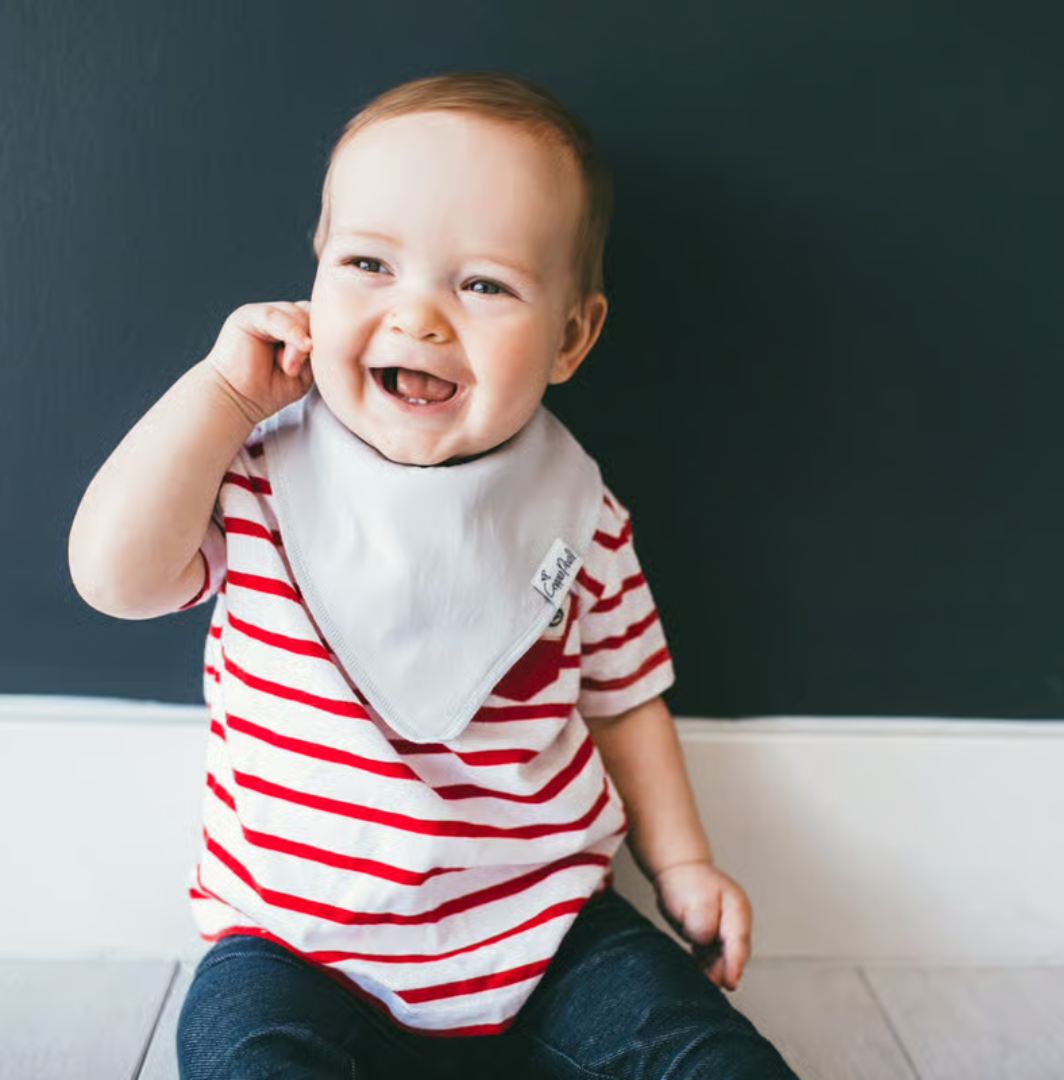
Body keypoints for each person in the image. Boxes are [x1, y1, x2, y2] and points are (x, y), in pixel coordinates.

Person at [69, 72, 798, 1079]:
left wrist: (680, 864)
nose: (419, 317)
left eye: (483, 284)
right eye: (369, 263)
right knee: (241, 1053)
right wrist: (222, 394)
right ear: (314, 274)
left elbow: (627, 703)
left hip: (546, 935)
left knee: (706, 1057)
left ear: (572, 337)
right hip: (292, 945)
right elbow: (114, 577)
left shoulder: (578, 517)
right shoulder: (259, 473)